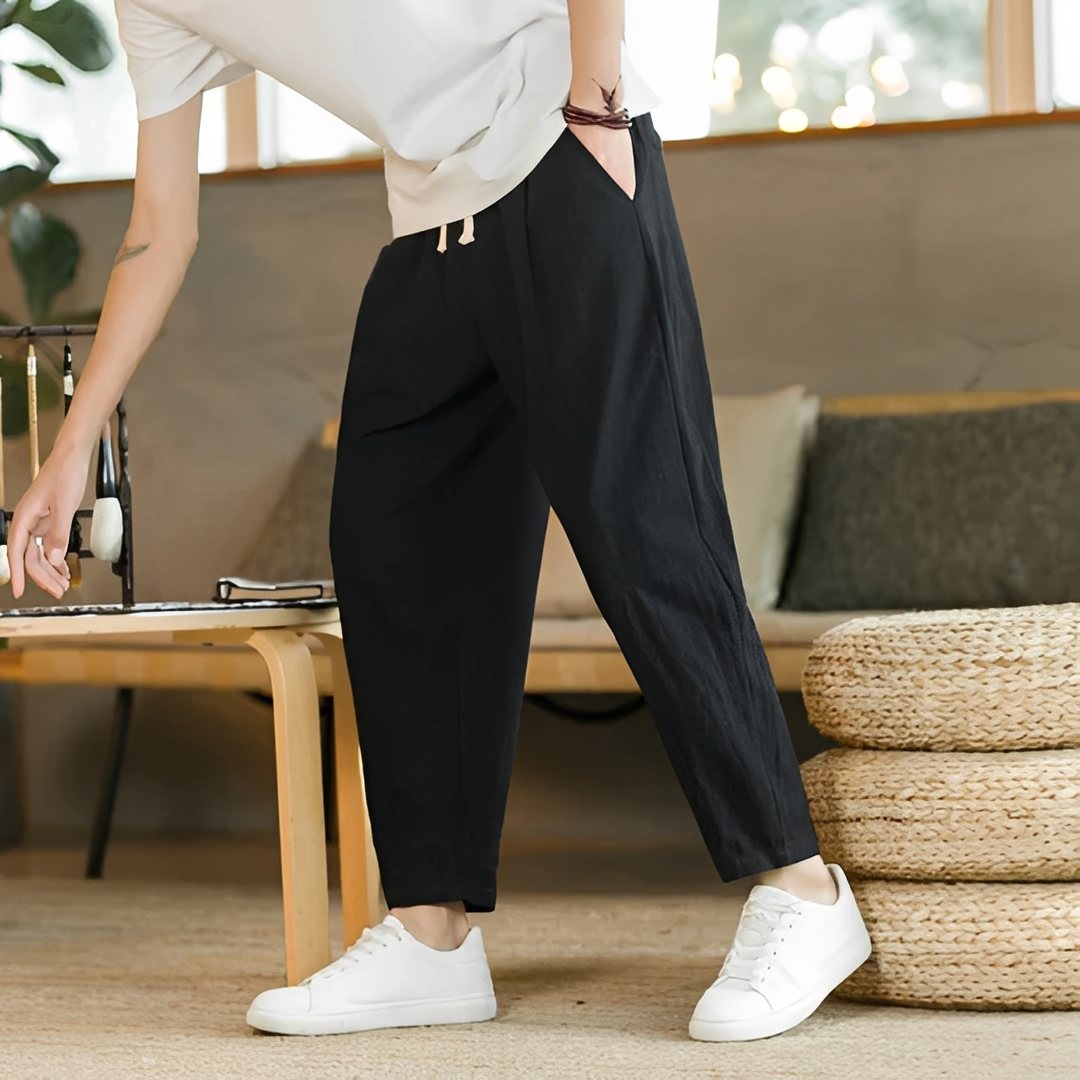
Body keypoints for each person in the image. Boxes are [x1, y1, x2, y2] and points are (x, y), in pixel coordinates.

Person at [11, 0, 871, 1043]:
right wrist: (67, 457)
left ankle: (803, 891)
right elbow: (160, 227)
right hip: (430, 228)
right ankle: (431, 936)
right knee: (399, 553)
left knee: (646, 530)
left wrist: (596, 108)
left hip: (564, 149)